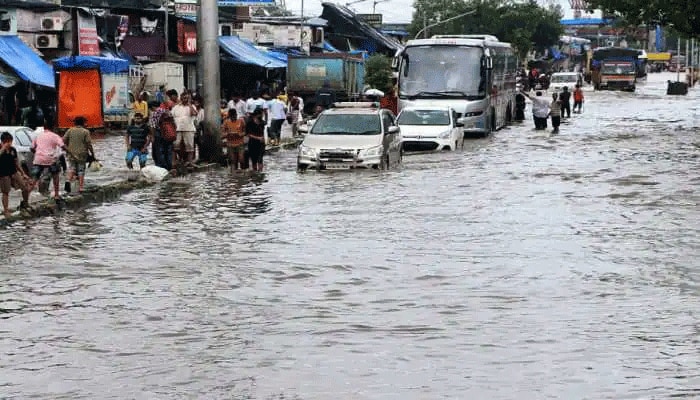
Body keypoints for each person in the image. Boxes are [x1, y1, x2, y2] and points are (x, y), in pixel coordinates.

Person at [0, 132, 33, 217]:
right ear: (3, 141)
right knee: (5, 192)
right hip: (3, 173)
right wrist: (3, 149)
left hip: (14, 172)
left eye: (10, 141)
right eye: (7, 141)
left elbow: (16, 163)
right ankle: (6, 210)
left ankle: (25, 203)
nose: (9, 143)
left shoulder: (13, 149)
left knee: (25, 187)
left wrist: (23, 173)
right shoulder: (1, 149)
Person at [31, 119, 65, 200]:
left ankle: (27, 197)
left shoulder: (38, 136)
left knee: (34, 178)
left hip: (38, 159)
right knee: (55, 176)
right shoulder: (55, 136)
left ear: (44, 127)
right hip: (50, 159)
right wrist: (70, 151)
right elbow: (62, 146)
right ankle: (56, 195)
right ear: (53, 127)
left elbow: (32, 148)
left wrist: (37, 153)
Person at [62, 116, 95, 194]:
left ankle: (68, 181)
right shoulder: (85, 132)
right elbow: (89, 144)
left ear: (75, 123)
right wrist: (93, 154)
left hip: (71, 154)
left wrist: (68, 149)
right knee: (81, 170)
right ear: (83, 123)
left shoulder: (70, 130)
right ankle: (80, 187)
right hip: (82, 154)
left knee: (72, 169)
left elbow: (63, 141)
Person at [171, 91, 198, 168]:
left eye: (186, 98)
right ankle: (175, 161)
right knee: (175, 145)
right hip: (177, 128)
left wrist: (189, 104)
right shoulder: (176, 107)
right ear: (181, 98)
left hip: (189, 128)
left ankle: (190, 162)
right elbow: (171, 116)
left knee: (190, 145)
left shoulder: (192, 106)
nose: (184, 99)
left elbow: (194, 113)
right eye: (183, 98)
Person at [246, 108, 266, 172]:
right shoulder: (249, 122)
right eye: (261, 114)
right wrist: (258, 138)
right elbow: (248, 134)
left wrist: (263, 140)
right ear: (257, 114)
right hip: (252, 143)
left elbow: (262, 133)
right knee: (254, 160)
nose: (262, 115)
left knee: (260, 159)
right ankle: (255, 173)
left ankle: (260, 172)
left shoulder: (262, 122)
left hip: (261, 143)